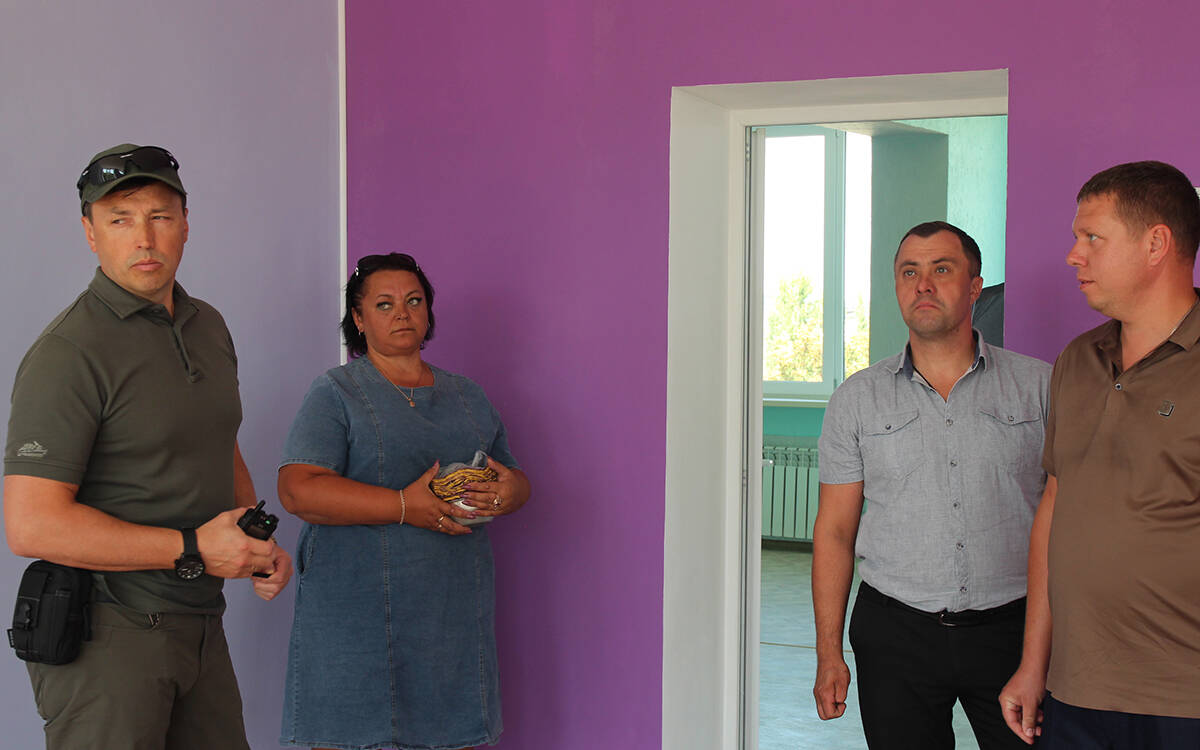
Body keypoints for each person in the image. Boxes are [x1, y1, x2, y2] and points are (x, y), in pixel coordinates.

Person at [3, 143, 292, 750]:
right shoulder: (67, 353)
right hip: (108, 638)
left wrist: (251, 538)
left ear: (185, 224)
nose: (144, 238)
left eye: (160, 216)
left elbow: (217, 438)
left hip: (201, 626)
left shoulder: (207, 326)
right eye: (120, 219)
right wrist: (194, 547)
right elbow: (31, 525)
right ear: (90, 233)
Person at [277, 251, 531, 750]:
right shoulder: (336, 393)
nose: (402, 313)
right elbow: (297, 489)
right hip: (355, 618)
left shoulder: (468, 396)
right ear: (358, 318)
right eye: (384, 304)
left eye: (414, 301)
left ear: (428, 312)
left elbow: (514, 476)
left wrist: (510, 493)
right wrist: (403, 506)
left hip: (449, 617)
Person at [812, 221, 1050, 749]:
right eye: (909, 272)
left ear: (974, 287)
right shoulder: (857, 399)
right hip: (895, 633)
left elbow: (1069, 522)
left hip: (1014, 633)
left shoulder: (1040, 387)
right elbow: (834, 532)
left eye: (941, 269)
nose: (923, 284)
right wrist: (829, 652)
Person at [1000, 161, 1200, 748]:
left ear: (1156, 244)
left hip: (1184, 700)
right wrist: (1033, 664)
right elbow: (1055, 509)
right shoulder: (1077, 360)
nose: (1073, 255)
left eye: (1092, 237)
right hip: (1075, 692)